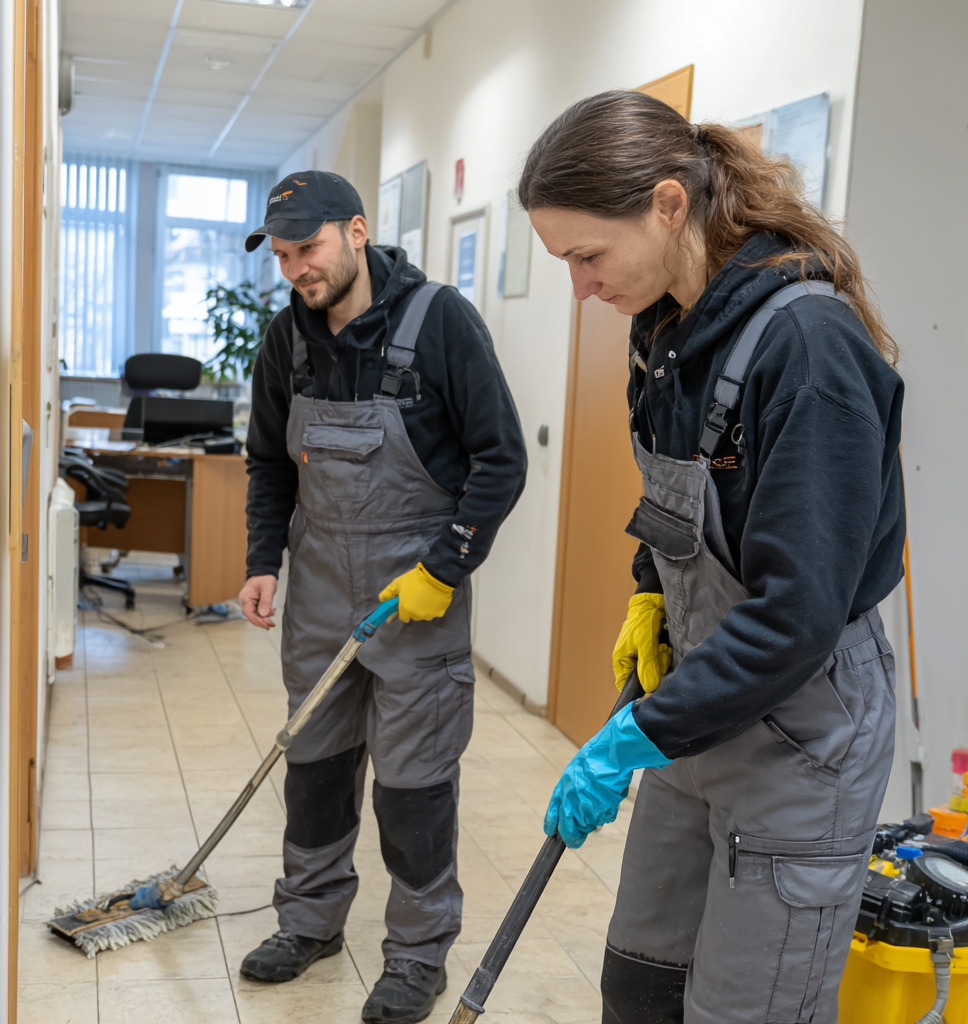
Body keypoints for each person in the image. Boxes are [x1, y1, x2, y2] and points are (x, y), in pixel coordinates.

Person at [518, 92, 905, 1024]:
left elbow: (797, 614)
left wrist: (632, 738)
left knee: (743, 1009)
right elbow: (671, 503)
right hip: (700, 707)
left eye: (585, 258)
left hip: (802, 730)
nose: (580, 289)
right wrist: (651, 599)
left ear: (667, 204)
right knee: (641, 984)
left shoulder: (808, 349)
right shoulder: (664, 335)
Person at [237, 170, 527, 1024]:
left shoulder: (440, 324)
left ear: (357, 231)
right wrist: (263, 561)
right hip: (320, 594)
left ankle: (417, 955)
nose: (297, 269)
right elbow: (267, 462)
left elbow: (500, 460)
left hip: (416, 598)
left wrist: (446, 568)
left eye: (309, 248)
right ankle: (311, 923)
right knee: (317, 773)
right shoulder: (284, 343)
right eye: (283, 255)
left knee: (413, 789)